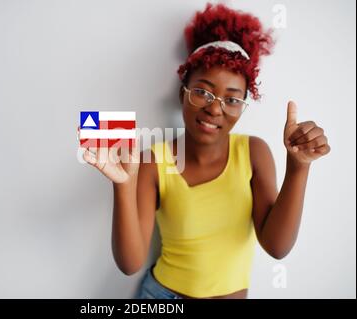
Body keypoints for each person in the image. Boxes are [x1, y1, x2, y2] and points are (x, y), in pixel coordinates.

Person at [78, 3, 331, 299]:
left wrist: (298, 167)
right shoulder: (151, 160)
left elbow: (277, 247)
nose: (214, 108)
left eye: (232, 99)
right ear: (182, 92)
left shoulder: (254, 153)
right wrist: (123, 184)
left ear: (242, 106)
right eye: (202, 91)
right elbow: (130, 263)